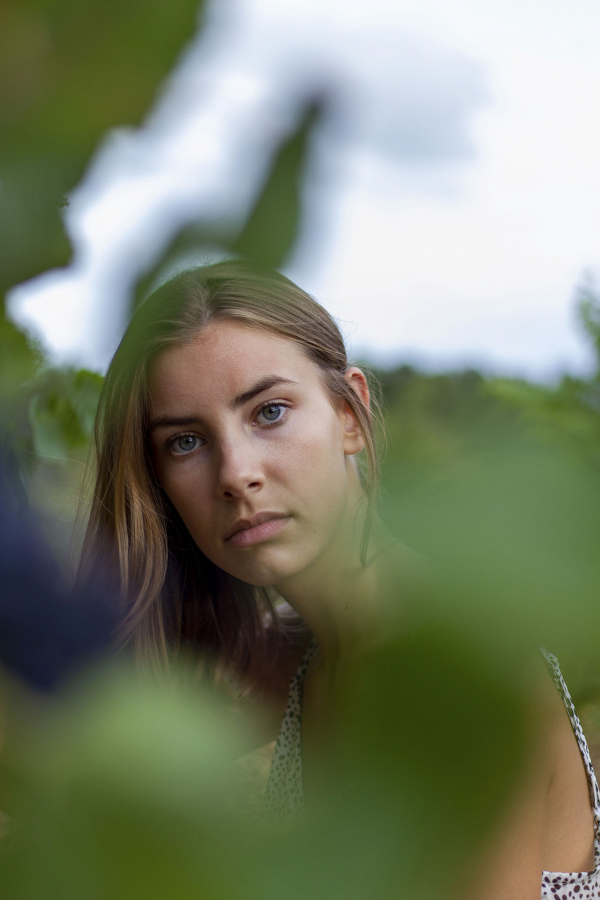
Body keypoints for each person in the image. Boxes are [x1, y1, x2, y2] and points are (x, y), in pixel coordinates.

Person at [79, 259, 600, 898]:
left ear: (350, 415)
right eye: (185, 442)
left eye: (268, 412)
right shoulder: (309, 653)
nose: (235, 473)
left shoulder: (457, 659)